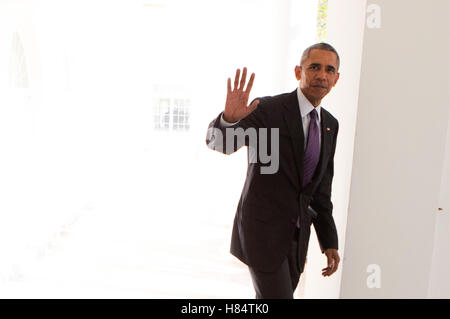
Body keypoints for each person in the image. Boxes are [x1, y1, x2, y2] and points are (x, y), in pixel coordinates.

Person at [206, 43, 341, 299]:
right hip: (263, 234)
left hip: (297, 239)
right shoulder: (268, 110)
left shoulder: (330, 125)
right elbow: (220, 144)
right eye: (314, 67)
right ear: (298, 71)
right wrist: (229, 120)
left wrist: (329, 241)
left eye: (329, 69)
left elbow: (321, 191)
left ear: (336, 78)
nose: (321, 75)